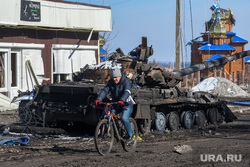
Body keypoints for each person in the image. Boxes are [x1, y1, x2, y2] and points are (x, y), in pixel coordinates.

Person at [94, 66, 135, 143]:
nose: (114, 79)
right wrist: (99, 99)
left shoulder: (126, 81)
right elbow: (105, 91)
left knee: (124, 119)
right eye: (113, 77)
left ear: (120, 76)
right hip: (116, 103)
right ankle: (112, 131)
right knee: (105, 113)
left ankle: (130, 135)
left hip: (126, 104)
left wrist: (122, 100)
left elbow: (127, 92)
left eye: (116, 77)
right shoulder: (111, 82)